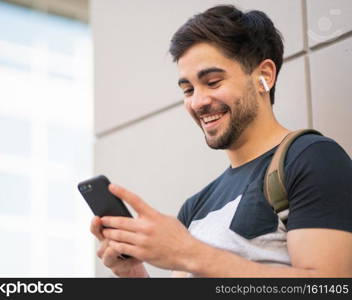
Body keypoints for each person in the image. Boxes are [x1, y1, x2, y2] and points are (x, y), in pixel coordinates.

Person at [90, 5, 352, 277]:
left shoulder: (313, 159)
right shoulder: (195, 208)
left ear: (265, 76)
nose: (198, 102)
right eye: (188, 89)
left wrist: (188, 252)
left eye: (213, 82)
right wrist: (134, 273)